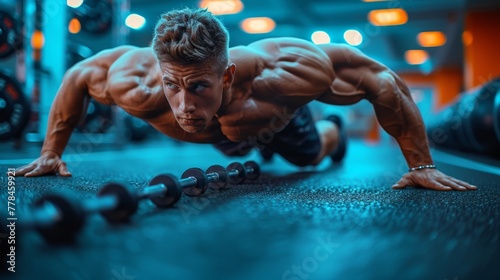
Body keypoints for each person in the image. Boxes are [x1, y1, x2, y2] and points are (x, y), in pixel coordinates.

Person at [14, 8, 476, 191]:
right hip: (227, 137)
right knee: (230, 138)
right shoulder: (133, 83)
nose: (183, 104)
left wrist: (420, 165)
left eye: (198, 86)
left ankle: (332, 137)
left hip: (281, 120)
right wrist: (51, 153)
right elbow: (76, 76)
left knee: (311, 153)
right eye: (172, 85)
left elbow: (380, 79)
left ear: (227, 73)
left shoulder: (284, 73)